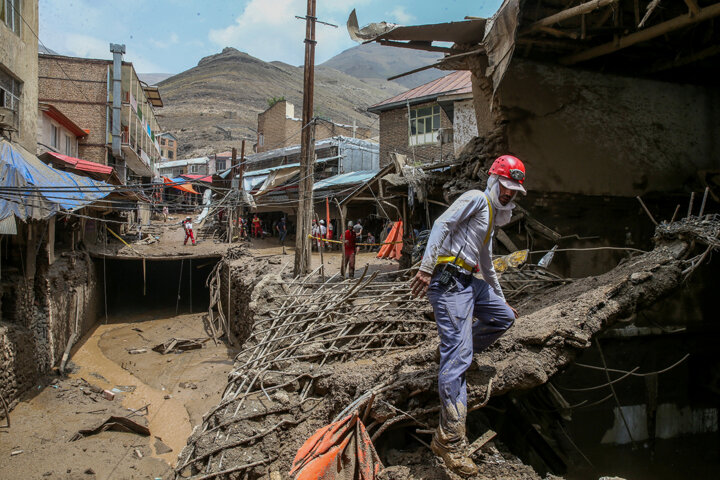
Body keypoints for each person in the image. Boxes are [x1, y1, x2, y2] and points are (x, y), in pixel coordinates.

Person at [410, 155, 526, 476]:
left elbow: (487, 266)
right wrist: (425, 267)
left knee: (504, 318)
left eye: (512, 190)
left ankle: (454, 350)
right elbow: (441, 224)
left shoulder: (488, 218)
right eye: (504, 187)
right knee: (458, 358)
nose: (507, 194)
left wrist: (502, 303)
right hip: (448, 281)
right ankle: (449, 440)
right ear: (493, 181)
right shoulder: (476, 198)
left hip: (469, 283)